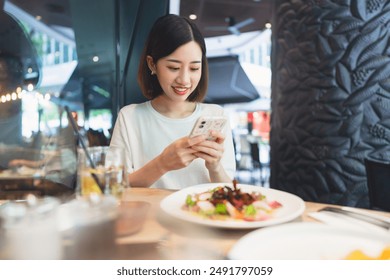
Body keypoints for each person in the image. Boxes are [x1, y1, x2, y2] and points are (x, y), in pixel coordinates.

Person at [110, 14, 236, 189]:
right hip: (150, 216)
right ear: (152, 64)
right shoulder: (129, 117)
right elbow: (114, 187)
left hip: (201, 215)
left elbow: (230, 192)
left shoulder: (215, 115)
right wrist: (162, 164)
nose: (184, 79)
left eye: (194, 68)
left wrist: (215, 167)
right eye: (174, 67)